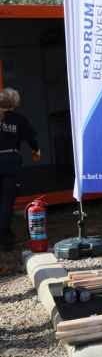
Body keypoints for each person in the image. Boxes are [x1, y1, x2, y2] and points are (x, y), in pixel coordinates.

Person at [0, 88, 40, 251]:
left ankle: (5, 234)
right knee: (6, 202)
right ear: (14, 103)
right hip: (10, 162)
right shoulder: (18, 119)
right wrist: (36, 151)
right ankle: (4, 237)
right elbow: (32, 139)